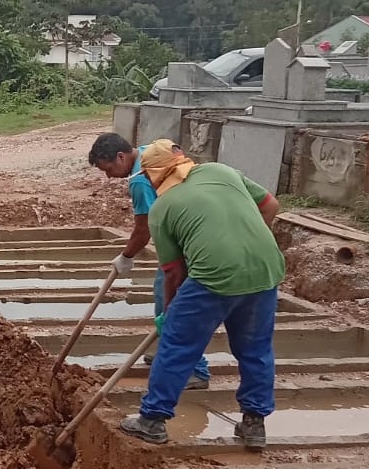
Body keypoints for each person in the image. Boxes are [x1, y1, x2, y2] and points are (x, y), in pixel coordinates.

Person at [118, 139, 285, 449]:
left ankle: (152, 420)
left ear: (155, 176)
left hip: (213, 276)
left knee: (177, 345)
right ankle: (254, 425)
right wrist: (243, 242)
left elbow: (174, 274)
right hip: (265, 270)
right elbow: (271, 206)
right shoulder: (224, 172)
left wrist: (167, 316)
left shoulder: (162, 208)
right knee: (255, 351)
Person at [88, 133, 210, 390]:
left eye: (109, 169)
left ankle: (194, 368)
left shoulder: (140, 180)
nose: (109, 177)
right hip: (191, 231)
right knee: (164, 299)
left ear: (121, 157)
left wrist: (126, 257)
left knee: (171, 303)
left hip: (186, 240)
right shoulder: (148, 151)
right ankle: (170, 353)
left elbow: (143, 229)